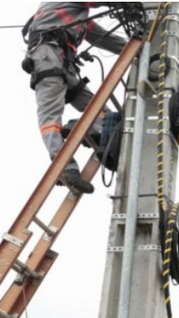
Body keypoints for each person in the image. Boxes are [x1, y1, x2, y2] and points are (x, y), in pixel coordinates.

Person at [23, 3, 128, 194]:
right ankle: (65, 167)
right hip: (47, 58)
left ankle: (91, 130)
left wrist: (143, 46)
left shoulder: (80, 16)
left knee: (101, 112)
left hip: (64, 65)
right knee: (50, 118)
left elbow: (107, 39)